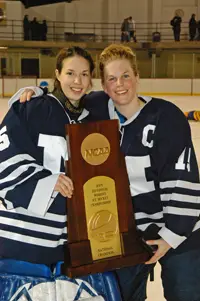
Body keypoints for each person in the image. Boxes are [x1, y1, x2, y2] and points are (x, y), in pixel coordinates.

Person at [9, 44, 200, 301]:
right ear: (103, 85)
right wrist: (32, 93)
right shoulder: (96, 109)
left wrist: (170, 236)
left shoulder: (167, 116)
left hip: (179, 232)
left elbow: (183, 179)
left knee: (185, 293)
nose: (119, 84)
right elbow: (61, 100)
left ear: (137, 77)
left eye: (125, 76)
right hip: (126, 236)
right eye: (111, 79)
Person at [0, 46, 122, 301]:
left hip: (70, 242)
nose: (77, 81)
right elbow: (5, 154)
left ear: (91, 79)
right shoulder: (30, 108)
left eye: (84, 74)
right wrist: (45, 181)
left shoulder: (96, 113)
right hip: (24, 238)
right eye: (70, 73)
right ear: (57, 74)